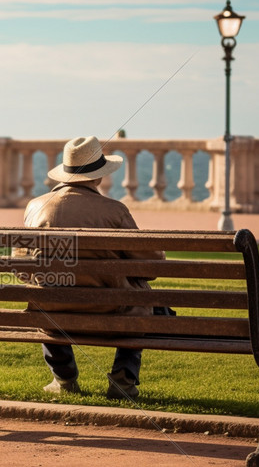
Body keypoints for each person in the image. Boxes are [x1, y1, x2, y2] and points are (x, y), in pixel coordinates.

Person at [17, 135, 165, 400]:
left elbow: (21, 269)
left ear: (65, 174)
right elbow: (152, 266)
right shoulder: (114, 211)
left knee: (44, 296)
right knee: (144, 296)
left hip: (53, 314)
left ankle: (64, 378)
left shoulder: (34, 207)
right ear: (98, 177)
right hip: (111, 312)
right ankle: (124, 377)